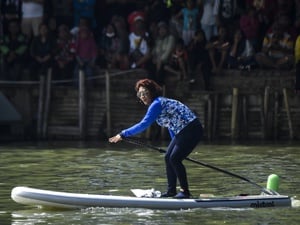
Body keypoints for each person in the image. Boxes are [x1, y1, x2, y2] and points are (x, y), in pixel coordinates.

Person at [109, 78, 203, 199]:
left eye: (145, 93)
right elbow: (170, 124)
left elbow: (143, 124)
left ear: (152, 93)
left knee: (175, 159)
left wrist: (123, 134)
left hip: (192, 129)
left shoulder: (157, 104)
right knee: (168, 157)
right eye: (140, 93)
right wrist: (175, 146)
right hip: (182, 132)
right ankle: (171, 191)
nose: (142, 96)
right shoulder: (158, 103)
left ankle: (185, 192)